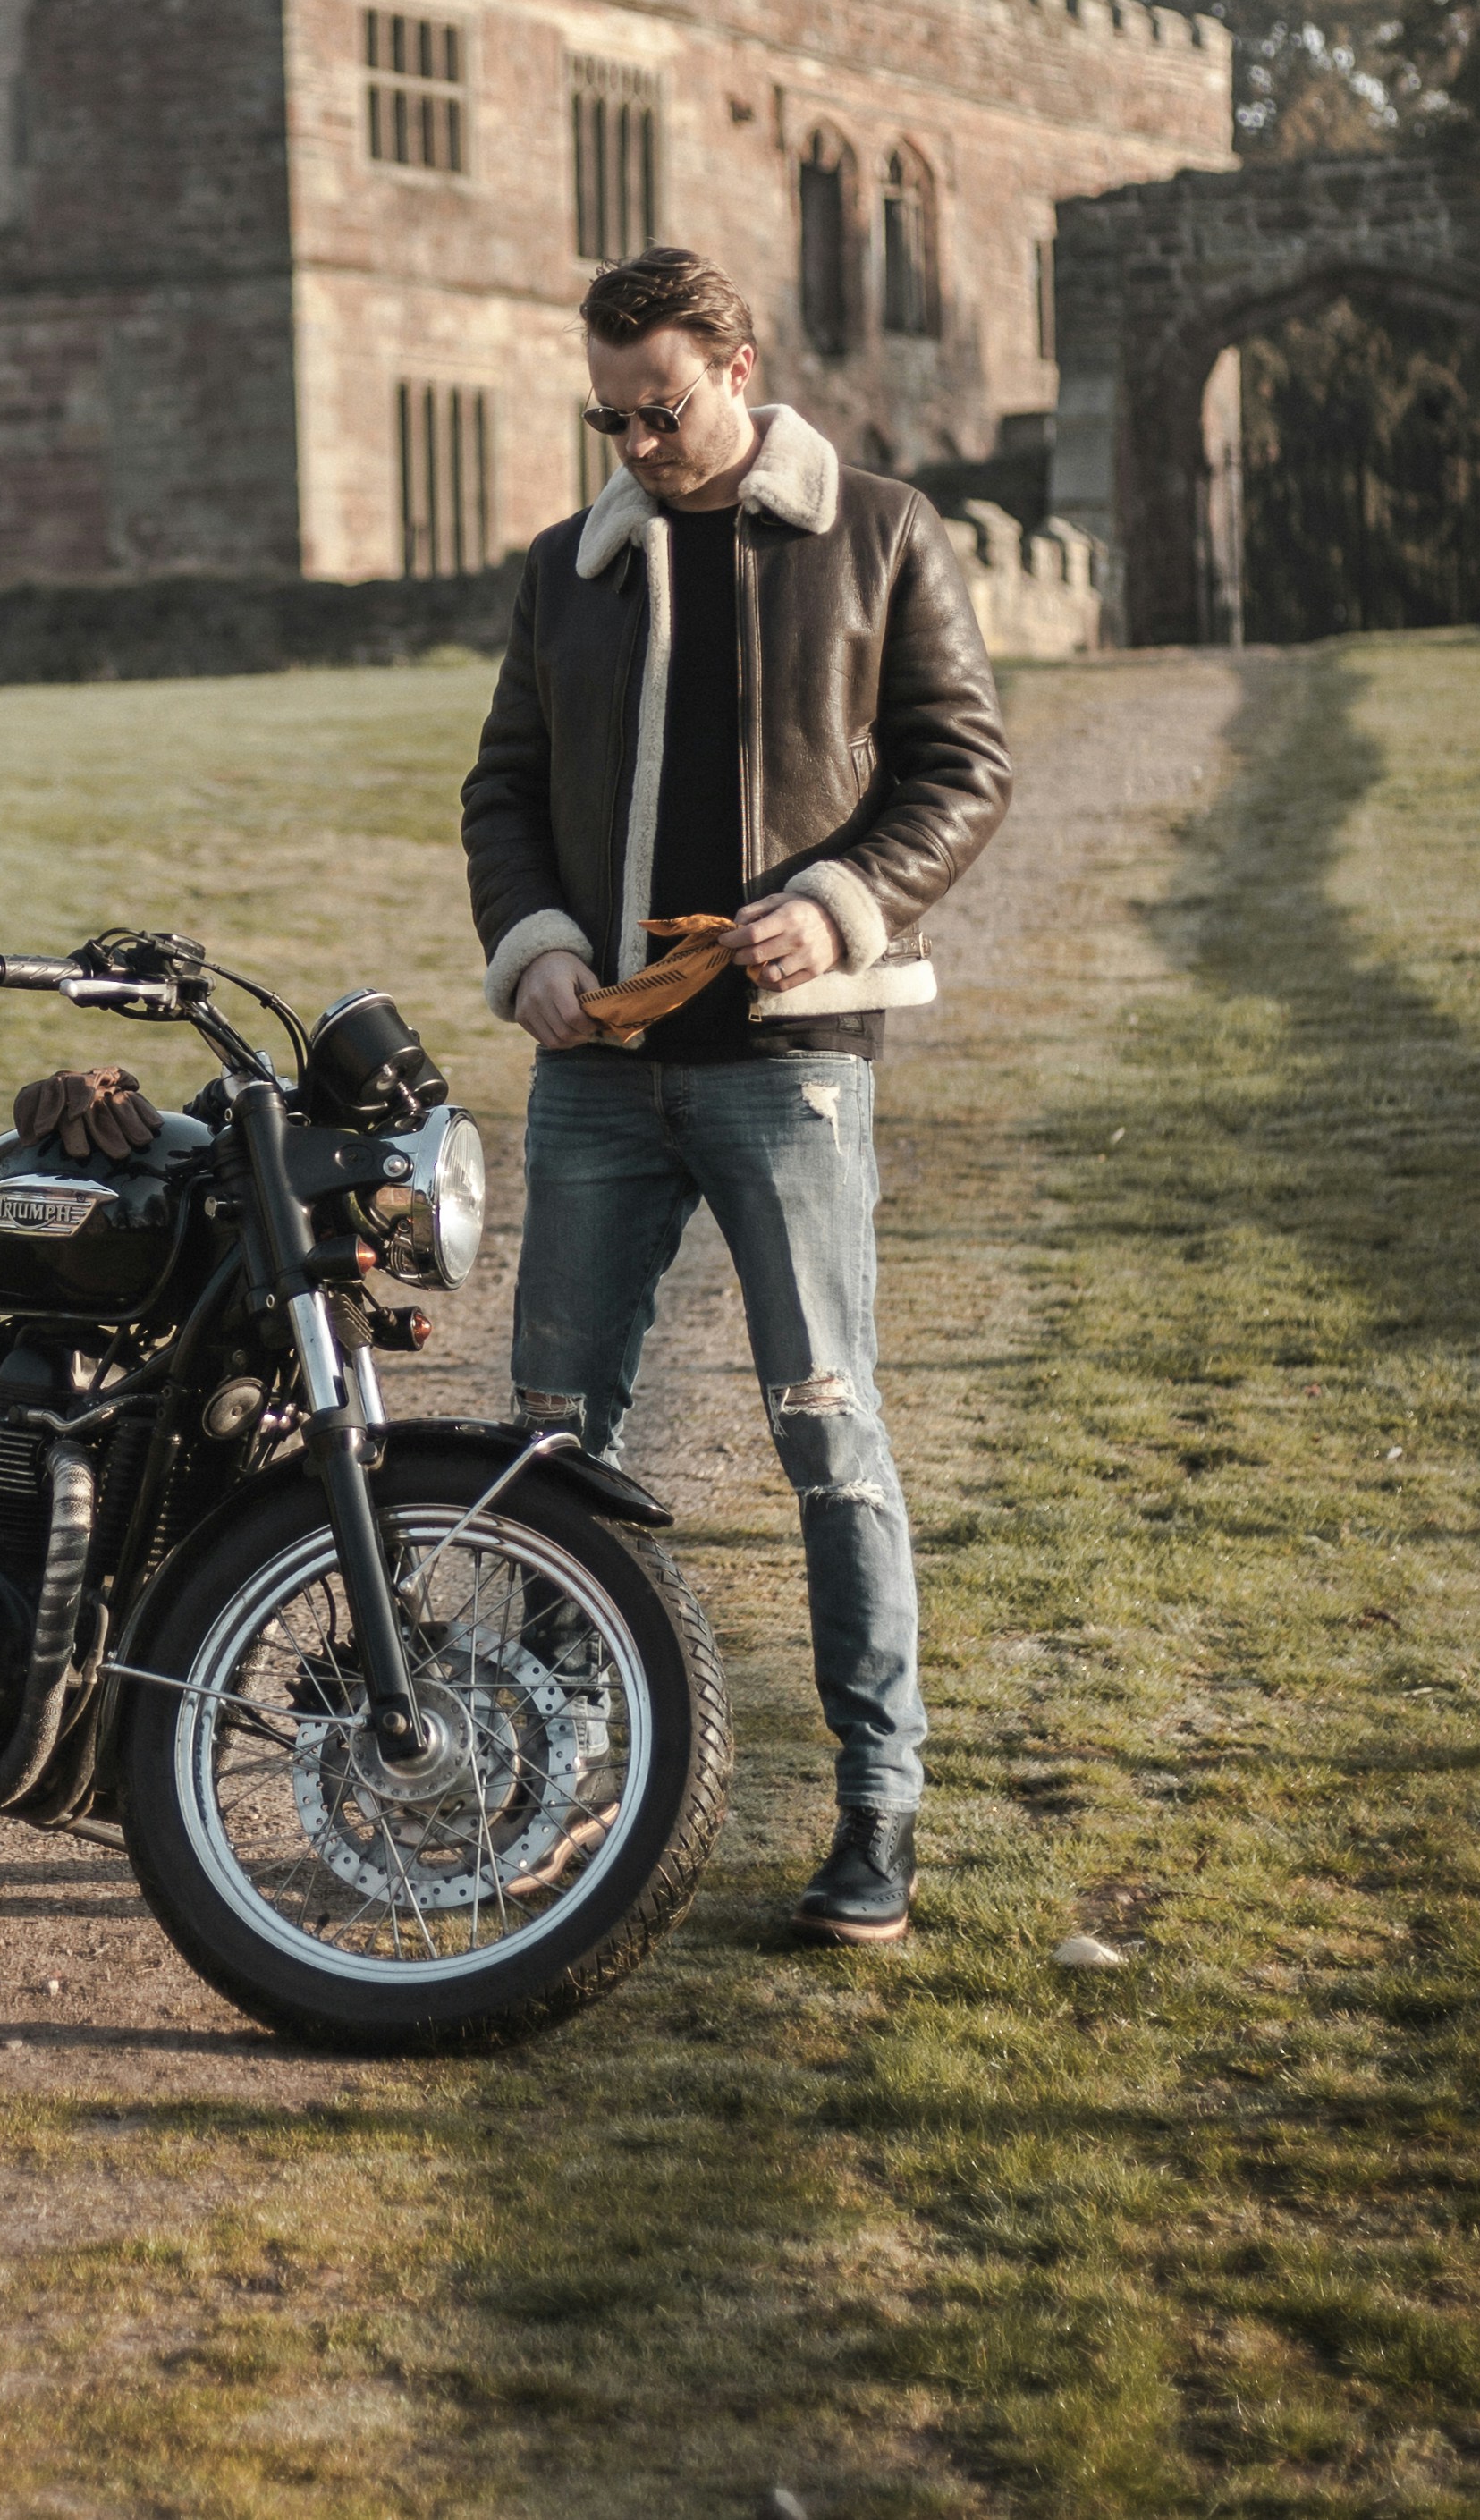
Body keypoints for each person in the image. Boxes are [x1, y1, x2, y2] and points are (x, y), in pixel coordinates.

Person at [461, 248, 1011, 1944]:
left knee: (828, 1437)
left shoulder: (881, 532)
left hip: (792, 1070)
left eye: (661, 410)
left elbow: (962, 767)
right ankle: (548, 1787)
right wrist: (535, 943)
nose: (635, 446)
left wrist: (835, 906)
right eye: (608, 420)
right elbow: (502, 790)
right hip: (598, 1076)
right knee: (553, 1445)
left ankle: (876, 1814)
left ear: (738, 367)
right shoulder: (563, 570)